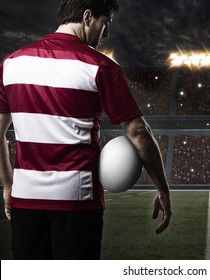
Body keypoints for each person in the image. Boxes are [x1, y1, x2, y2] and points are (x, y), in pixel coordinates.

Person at [0, 0, 171, 259]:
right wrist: (163, 188)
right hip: (77, 202)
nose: (107, 33)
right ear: (88, 17)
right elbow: (139, 133)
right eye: (107, 23)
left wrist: (8, 185)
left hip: (26, 201)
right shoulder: (101, 66)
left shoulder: (11, 64)